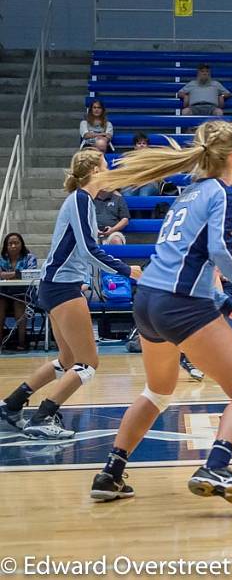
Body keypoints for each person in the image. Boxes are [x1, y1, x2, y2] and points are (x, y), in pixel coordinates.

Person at [82, 120, 232, 505]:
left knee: (158, 390)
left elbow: (185, 260)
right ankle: (216, 465)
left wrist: (224, 304)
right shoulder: (224, 194)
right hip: (180, 304)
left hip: (149, 300)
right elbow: (219, 252)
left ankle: (110, 473)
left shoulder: (185, 195)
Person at [0, 151, 140, 440]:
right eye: (105, 166)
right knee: (88, 363)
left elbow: (80, 248)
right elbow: (89, 250)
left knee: (66, 360)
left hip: (59, 285)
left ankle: (11, 405)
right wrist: (128, 270)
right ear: (93, 171)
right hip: (62, 286)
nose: (109, 170)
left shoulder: (84, 201)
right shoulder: (80, 199)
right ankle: (43, 416)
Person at [0, 232, 38, 351]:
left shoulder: (30, 258)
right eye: (10, 243)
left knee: (19, 302)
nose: (13, 246)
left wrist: (6, 275)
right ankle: (1, 341)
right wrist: (17, 274)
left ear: (22, 244)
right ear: (6, 246)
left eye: (16, 243)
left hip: (24, 294)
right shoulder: (1, 259)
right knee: (0, 303)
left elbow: (30, 274)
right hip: (3, 293)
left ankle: (22, 341)